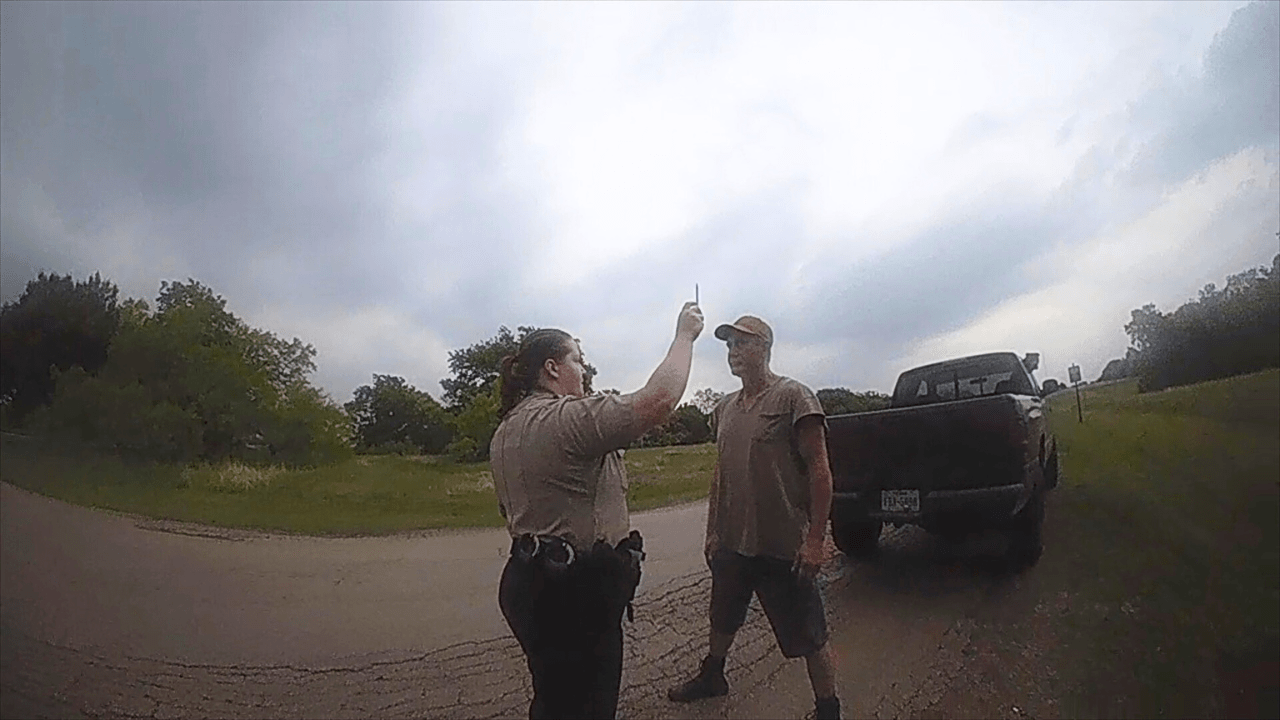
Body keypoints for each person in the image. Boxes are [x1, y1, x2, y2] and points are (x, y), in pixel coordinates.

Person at [491, 301, 704, 720]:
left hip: (527, 583)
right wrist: (684, 336)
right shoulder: (564, 418)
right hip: (573, 599)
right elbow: (659, 398)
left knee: (554, 698)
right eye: (578, 360)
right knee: (588, 705)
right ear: (552, 369)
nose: (585, 371)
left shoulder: (505, 431)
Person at [667, 315, 843, 720]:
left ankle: (828, 709)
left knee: (810, 633)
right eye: (728, 345)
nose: (732, 352)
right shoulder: (725, 408)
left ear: (764, 347)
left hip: (782, 545)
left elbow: (819, 468)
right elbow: (721, 472)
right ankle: (713, 676)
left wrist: (816, 538)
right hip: (732, 541)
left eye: (741, 344)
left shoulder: (794, 398)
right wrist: (713, 530)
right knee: (723, 616)